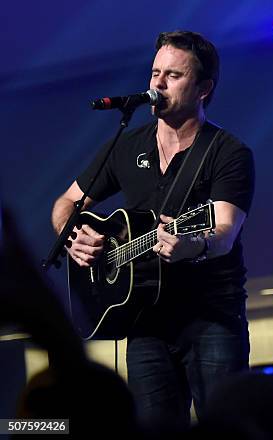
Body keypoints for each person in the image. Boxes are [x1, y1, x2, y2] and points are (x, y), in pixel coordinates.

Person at [51, 31, 254, 432]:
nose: (157, 84)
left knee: (227, 429)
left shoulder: (228, 152)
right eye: (155, 72)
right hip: (143, 322)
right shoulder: (127, 146)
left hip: (211, 318)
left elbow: (225, 232)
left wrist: (192, 246)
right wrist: (73, 237)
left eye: (173, 75)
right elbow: (65, 204)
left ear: (203, 88)